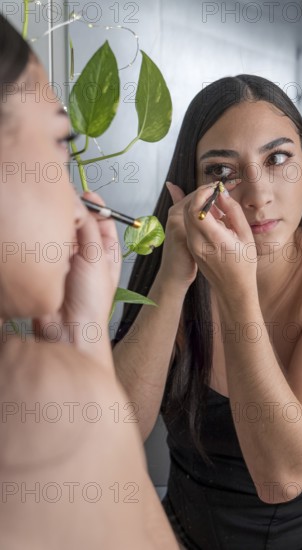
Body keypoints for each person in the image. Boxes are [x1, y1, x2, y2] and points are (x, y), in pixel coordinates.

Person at [113, 75, 302, 549]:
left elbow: (281, 479)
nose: (257, 194)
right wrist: (173, 279)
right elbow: (113, 432)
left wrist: (238, 296)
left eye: (277, 158)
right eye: (221, 172)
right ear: (191, 188)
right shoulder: (171, 258)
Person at [0, 13, 180, 550]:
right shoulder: (30, 396)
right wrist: (84, 368)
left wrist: (83, 349)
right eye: (61, 140)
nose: (77, 197)